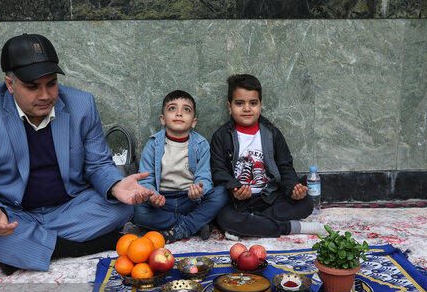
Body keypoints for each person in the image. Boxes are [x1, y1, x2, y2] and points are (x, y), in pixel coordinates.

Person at [0, 33, 153, 274]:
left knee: (121, 207)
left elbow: (98, 165)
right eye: (32, 86)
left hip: (68, 209)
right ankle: (78, 247)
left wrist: (115, 185)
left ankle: (22, 250)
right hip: (12, 213)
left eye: (51, 83)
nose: (45, 95)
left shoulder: (82, 105)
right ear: (10, 84)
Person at [210, 74, 324, 239]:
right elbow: (218, 170)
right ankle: (290, 227)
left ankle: (248, 224)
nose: (247, 108)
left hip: (268, 198)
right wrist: (235, 188)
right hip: (237, 201)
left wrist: (293, 188)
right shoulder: (221, 136)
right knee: (223, 216)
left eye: (253, 103)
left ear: (260, 105)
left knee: (305, 204)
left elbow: (285, 165)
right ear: (229, 107)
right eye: (240, 103)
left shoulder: (271, 133)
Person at [133, 90, 229, 243]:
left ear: (194, 122)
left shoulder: (201, 144)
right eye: (172, 108)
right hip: (163, 202)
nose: (179, 113)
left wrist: (199, 190)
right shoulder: (153, 144)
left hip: (190, 201)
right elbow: (145, 178)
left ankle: (182, 227)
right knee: (136, 211)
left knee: (221, 194)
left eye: (186, 110)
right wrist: (152, 196)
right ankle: (193, 224)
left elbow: (204, 176)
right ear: (163, 119)